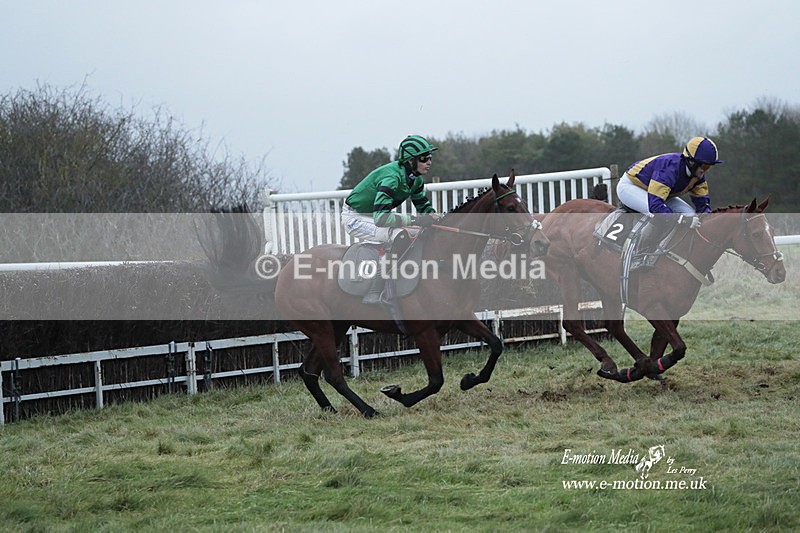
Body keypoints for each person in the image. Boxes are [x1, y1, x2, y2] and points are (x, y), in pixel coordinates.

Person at [616, 136, 724, 253]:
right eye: (704, 166)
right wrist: (680, 219)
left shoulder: (698, 176)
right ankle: (636, 253)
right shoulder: (669, 169)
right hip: (631, 186)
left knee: (691, 216)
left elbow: (703, 207)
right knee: (659, 216)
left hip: (658, 193)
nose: (705, 170)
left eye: (709, 167)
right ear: (691, 162)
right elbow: (655, 207)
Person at [343, 135, 439, 244]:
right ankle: (385, 261)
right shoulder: (392, 179)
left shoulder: (417, 180)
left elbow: (423, 206)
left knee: (418, 233)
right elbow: (381, 219)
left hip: (374, 215)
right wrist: (416, 220)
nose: (429, 162)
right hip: (354, 218)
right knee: (401, 236)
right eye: (423, 158)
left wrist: (438, 218)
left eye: (430, 157)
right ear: (411, 161)